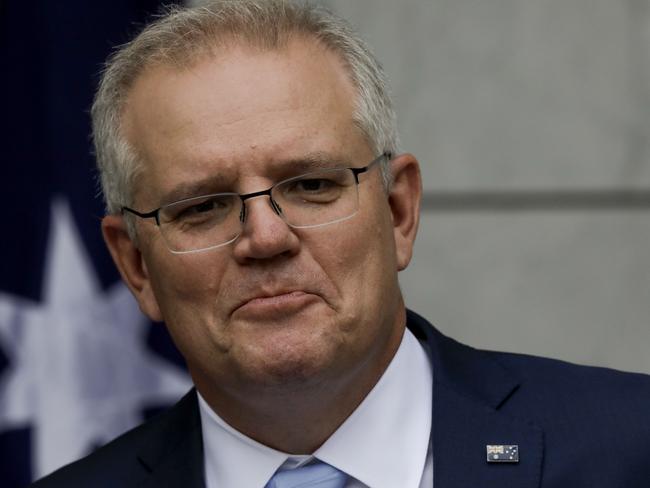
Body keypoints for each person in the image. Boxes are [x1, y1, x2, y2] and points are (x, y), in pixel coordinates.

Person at [32, 1, 650, 487]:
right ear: (137, 267)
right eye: (202, 207)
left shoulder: (629, 446)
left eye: (311, 185)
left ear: (399, 210)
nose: (266, 237)